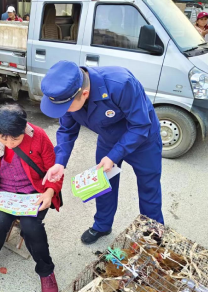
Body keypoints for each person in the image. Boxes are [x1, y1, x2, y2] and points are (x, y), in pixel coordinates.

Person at [40, 61, 163, 245]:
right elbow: (66, 130)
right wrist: (60, 162)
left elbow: (140, 125)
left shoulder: (121, 83)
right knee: (103, 185)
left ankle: (153, 233)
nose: (62, 112)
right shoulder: (68, 96)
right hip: (108, 138)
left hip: (143, 140)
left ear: (85, 94)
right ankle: (102, 225)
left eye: (64, 108)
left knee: (149, 188)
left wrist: (114, 156)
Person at [0, 104, 63, 292]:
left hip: (34, 193)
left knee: (31, 227)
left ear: (24, 129)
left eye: (15, 138)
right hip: (5, 195)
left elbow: (54, 170)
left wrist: (49, 193)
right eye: (3, 138)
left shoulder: (39, 136)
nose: (9, 143)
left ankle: (46, 271)